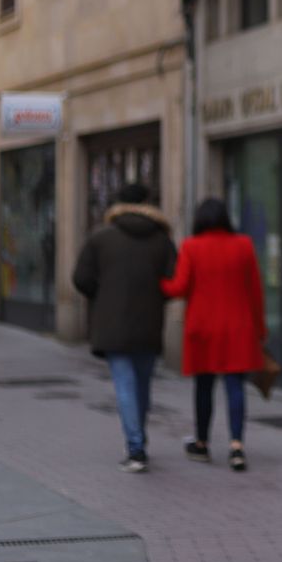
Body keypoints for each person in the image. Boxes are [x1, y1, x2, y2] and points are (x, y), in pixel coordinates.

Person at [71, 182, 177, 473]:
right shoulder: (162, 239)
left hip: (112, 323)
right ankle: (138, 438)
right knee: (142, 385)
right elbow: (174, 279)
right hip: (149, 322)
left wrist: (102, 296)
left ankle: (135, 447)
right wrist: (156, 298)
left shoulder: (101, 237)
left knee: (124, 385)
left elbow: (81, 278)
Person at [161, 198, 266, 472]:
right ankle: (236, 446)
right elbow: (255, 291)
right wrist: (260, 329)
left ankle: (202, 443)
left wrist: (157, 283)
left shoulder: (191, 246)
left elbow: (179, 287)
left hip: (203, 329)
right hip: (238, 327)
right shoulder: (244, 245)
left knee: (203, 387)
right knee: (235, 386)